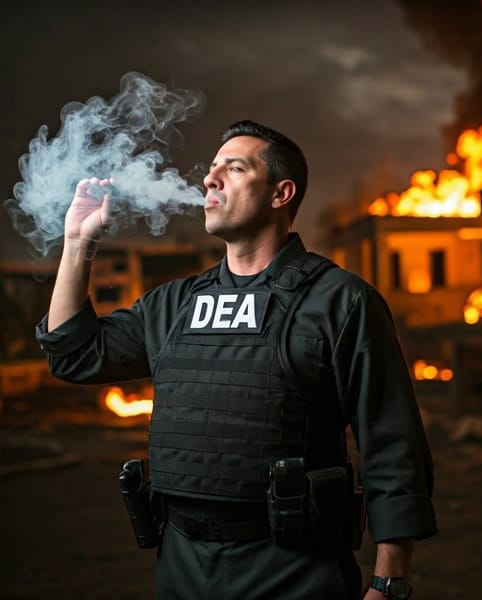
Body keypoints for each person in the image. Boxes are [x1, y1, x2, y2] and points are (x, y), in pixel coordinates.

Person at [36, 120, 437, 600]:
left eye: (235, 167)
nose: (210, 179)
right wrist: (79, 243)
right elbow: (74, 354)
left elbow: (391, 439)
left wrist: (388, 581)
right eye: (211, 170)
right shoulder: (175, 303)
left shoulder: (339, 301)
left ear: (280, 193)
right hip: (182, 562)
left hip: (292, 568)